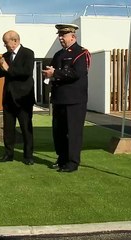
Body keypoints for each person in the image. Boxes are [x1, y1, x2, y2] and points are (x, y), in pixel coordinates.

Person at [42, 23, 91, 173]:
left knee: (73, 132)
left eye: (63, 35)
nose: (61, 38)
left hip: (74, 100)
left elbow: (77, 74)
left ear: (73, 36)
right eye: (59, 35)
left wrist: (55, 74)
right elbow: (52, 70)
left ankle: (72, 161)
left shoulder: (81, 53)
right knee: (59, 131)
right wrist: (49, 74)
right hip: (59, 99)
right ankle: (62, 158)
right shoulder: (58, 54)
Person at [0, 30, 36, 165]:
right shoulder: (6, 55)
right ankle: (8, 154)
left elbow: (26, 72)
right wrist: (1, 66)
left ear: (14, 41)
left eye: (5, 43)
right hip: (8, 99)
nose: (5, 46)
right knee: (8, 129)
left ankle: (28, 156)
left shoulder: (28, 53)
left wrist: (7, 68)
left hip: (23, 98)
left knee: (26, 128)